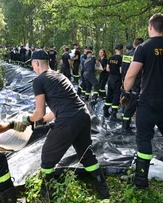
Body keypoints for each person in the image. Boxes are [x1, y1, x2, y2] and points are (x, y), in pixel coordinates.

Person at [22, 50, 109, 200]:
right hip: (83, 115)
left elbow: (39, 111)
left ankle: (46, 194)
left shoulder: (39, 80)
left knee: (47, 157)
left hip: (68, 120)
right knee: (85, 153)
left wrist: (28, 120)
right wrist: (42, 121)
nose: (33, 68)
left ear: (36, 63)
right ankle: (104, 192)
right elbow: (56, 110)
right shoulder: (59, 75)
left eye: (32, 65)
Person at [121, 13, 163, 188]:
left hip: (148, 101)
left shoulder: (143, 48)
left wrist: (125, 92)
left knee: (143, 138)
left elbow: (131, 74)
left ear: (150, 26)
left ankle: (141, 180)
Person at [121, 38, 144, 133]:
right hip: (135, 81)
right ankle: (125, 127)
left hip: (126, 80)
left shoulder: (126, 54)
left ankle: (126, 124)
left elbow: (123, 68)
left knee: (126, 102)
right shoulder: (138, 54)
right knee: (131, 105)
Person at [103, 44, 123, 120]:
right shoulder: (120, 58)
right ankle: (114, 114)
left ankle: (105, 110)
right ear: (121, 50)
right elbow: (121, 70)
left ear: (115, 50)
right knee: (116, 96)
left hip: (110, 78)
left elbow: (107, 69)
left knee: (109, 94)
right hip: (117, 78)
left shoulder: (110, 58)